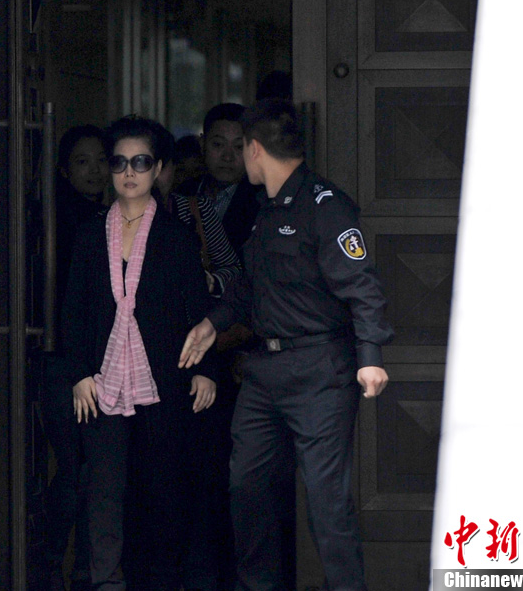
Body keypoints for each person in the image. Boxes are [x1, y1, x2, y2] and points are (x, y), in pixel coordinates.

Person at [179, 99, 394, 591]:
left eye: (242, 149)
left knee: (326, 500)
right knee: (246, 486)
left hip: (320, 371)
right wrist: (212, 323)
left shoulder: (326, 206)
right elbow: (250, 286)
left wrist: (370, 357)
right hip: (264, 374)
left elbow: (362, 285)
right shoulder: (266, 210)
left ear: (254, 150)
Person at [61, 115, 218, 590]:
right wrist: (79, 374)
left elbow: (198, 311)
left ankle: (159, 581)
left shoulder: (176, 236)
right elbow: (73, 311)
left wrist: (206, 370)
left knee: (162, 490)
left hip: (165, 381)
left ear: (159, 168)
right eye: (119, 162)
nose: (129, 172)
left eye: (141, 162)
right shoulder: (90, 234)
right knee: (104, 492)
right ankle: (107, 583)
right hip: (101, 383)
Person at [41, 125, 110, 591]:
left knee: (85, 469)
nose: (95, 171)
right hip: (68, 362)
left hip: (93, 360)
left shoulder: (106, 218)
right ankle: (55, 561)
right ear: (64, 171)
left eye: (102, 160)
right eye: (82, 162)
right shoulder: (65, 222)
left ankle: (67, 564)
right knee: (79, 469)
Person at [155, 128, 242, 298]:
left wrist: (210, 281)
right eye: (142, 165)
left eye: (162, 165)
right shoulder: (107, 221)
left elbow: (233, 269)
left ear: (173, 167)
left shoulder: (197, 209)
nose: (152, 175)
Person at [176, 103, 261, 258]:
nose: (227, 157)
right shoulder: (182, 193)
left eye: (239, 147)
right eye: (218, 144)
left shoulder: (262, 202)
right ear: (202, 144)